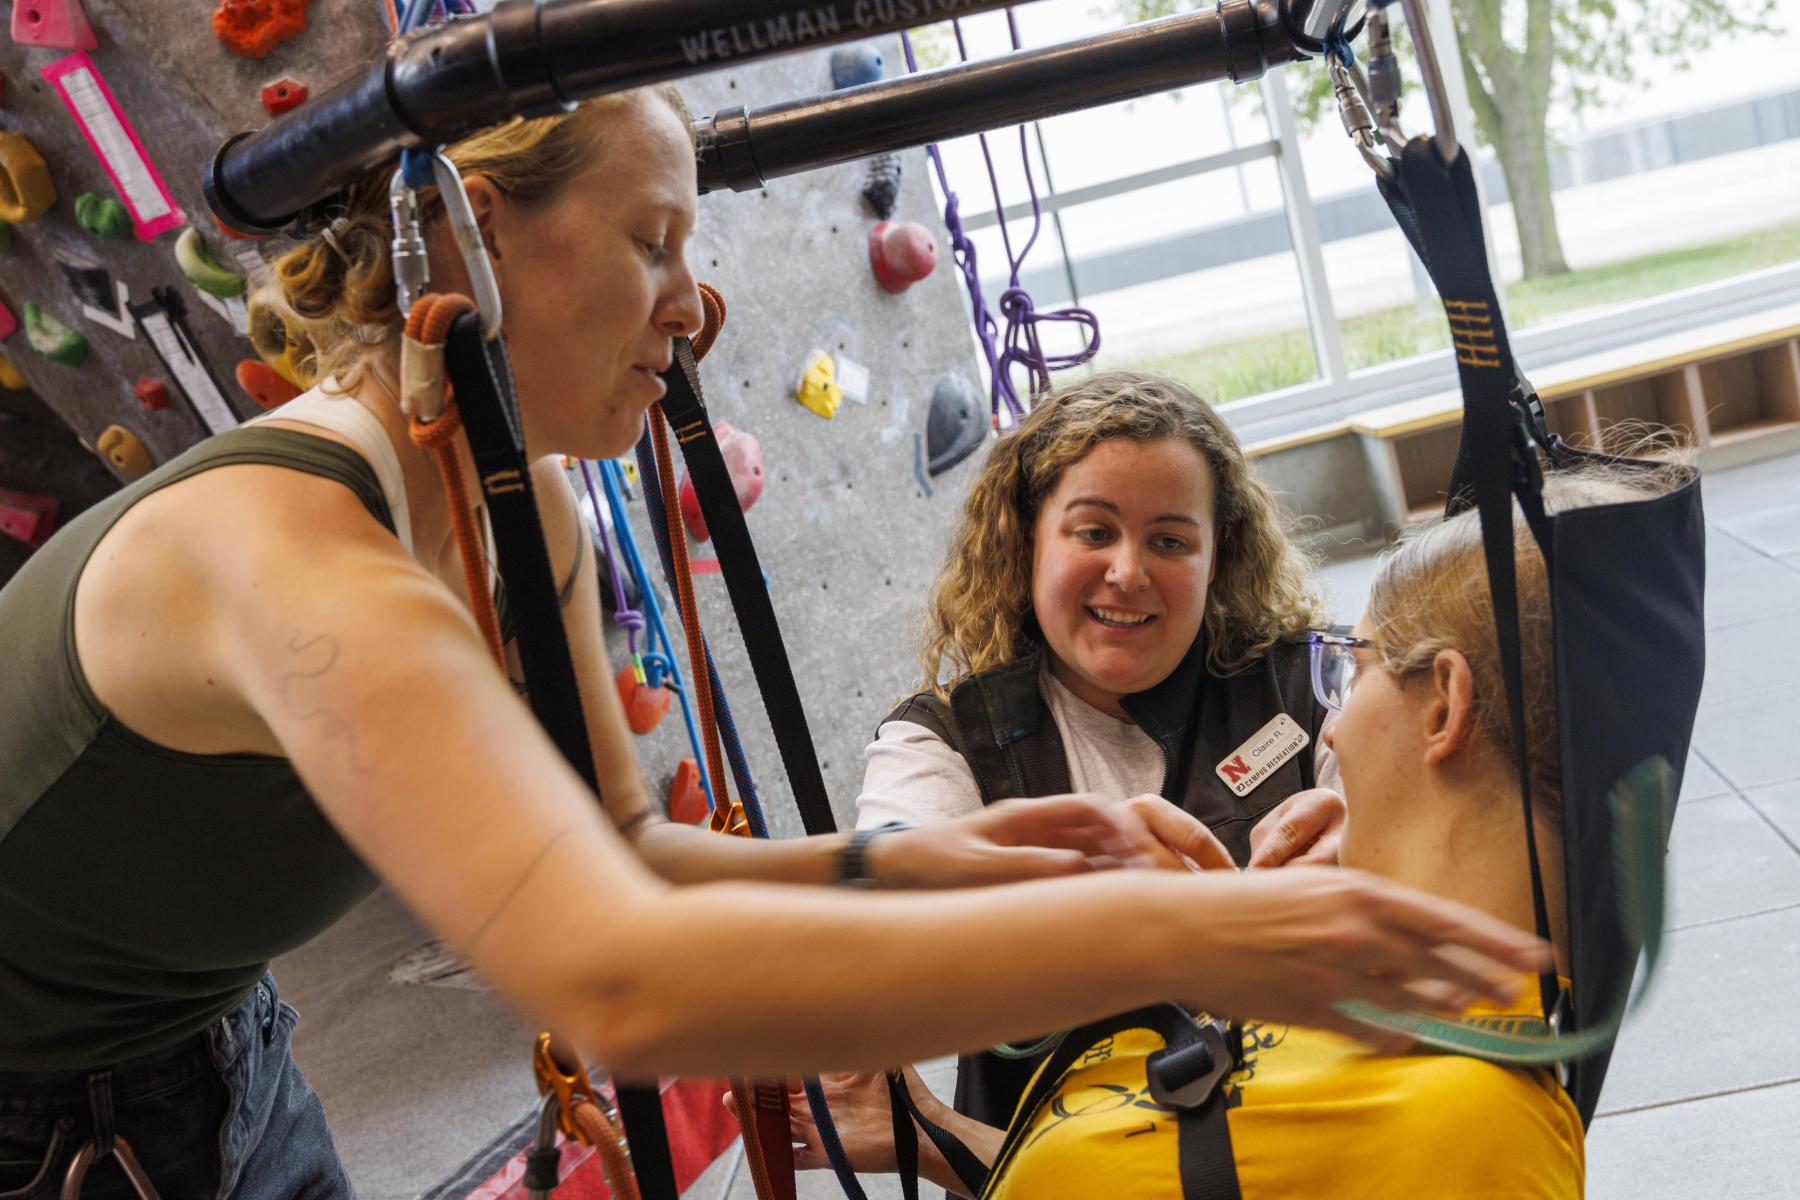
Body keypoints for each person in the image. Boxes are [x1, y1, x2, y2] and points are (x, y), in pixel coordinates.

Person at [0, 88, 1547, 1196]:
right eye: (655, 241)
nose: (698, 302)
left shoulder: (520, 513)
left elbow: (631, 857)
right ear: (466, 247)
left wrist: (926, 866)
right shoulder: (291, 555)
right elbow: (618, 984)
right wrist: (1189, 941)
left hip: (213, 1049)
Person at [801, 471, 1664, 1199]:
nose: (1332, 728)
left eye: (1353, 671)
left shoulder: (1464, 1124)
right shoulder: (1399, 1037)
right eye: (1092, 531)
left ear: (1445, 706)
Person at [854, 371, 1355, 1133]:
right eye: (1093, 531)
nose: (1128, 571)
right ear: (1027, 542)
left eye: (1170, 540)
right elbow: (889, 916)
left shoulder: (1308, 685)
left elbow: (1422, 861)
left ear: (1219, 557)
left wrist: (1373, 845)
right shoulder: (942, 740)